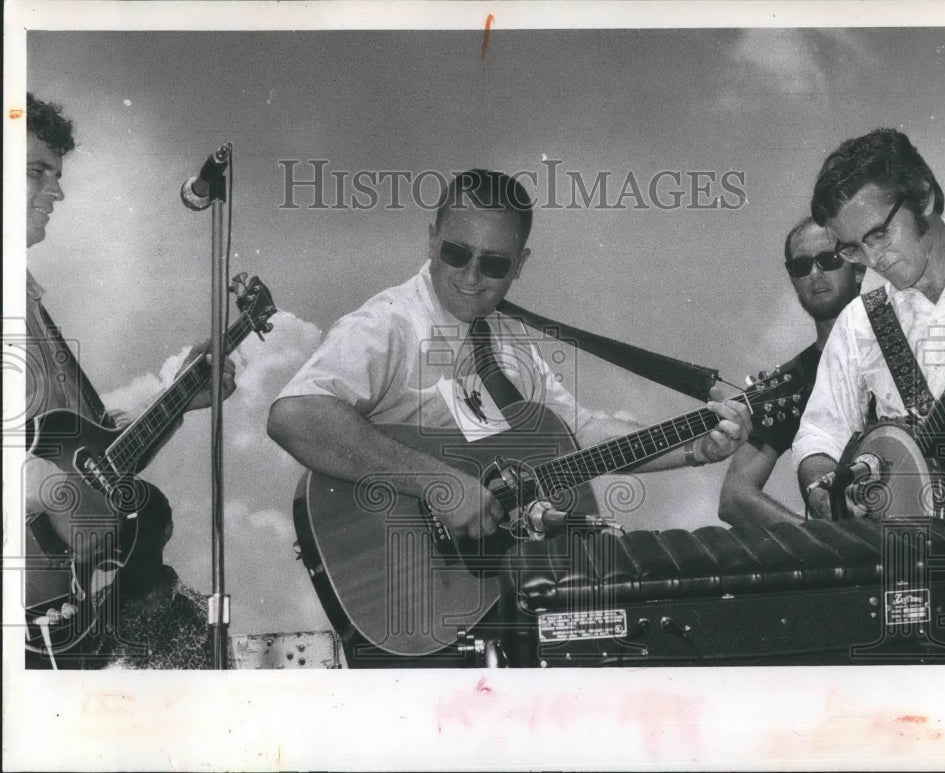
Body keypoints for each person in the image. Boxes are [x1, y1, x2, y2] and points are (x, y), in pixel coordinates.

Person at [267, 169, 753, 664]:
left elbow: (580, 434)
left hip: (488, 609)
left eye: (494, 264)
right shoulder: (388, 323)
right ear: (431, 238)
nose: (472, 277)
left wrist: (695, 446)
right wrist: (442, 484)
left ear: (520, 264)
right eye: (456, 253)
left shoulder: (503, 339)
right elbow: (296, 414)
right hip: (403, 595)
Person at [23, 93, 237, 668]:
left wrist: (179, 395)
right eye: (35, 170)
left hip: (57, 597)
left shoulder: (26, 298)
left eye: (57, 174)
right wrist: (45, 486)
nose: (58, 190)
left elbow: (93, 452)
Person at [791, 129, 945, 521]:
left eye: (879, 234)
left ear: (924, 197)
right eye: (852, 248)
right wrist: (824, 491)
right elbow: (820, 435)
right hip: (918, 552)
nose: (871, 258)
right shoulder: (862, 321)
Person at [718, 218, 865, 528]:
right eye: (801, 267)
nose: (814, 274)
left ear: (859, 267)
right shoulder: (788, 384)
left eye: (828, 260)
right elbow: (735, 497)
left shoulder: (906, 338)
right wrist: (820, 540)